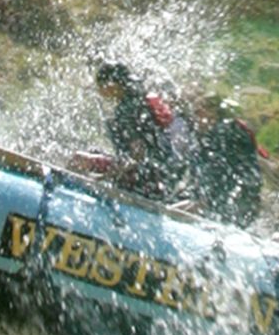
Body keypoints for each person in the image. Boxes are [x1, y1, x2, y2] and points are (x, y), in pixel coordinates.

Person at [93, 60, 182, 198]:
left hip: (144, 177)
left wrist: (108, 176)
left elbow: (137, 154)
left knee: (80, 160)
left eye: (100, 86)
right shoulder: (140, 98)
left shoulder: (126, 109)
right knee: (94, 152)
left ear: (111, 85)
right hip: (162, 175)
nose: (99, 91)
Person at [191, 96, 264, 227]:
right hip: (246, 196)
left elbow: (220, 171)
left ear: (211, 112)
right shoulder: (230, 129)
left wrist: (203, 201)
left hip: (234, 199)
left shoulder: (222, 134)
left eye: (198, 112)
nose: (194, 118)